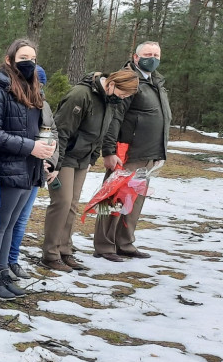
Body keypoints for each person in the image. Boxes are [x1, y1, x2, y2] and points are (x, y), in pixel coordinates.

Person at [0, 39, 57, 300]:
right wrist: (30, 147)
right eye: (23, 57)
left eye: (33, 58)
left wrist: (44, 153)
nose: (29, 62)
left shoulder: (32, 87)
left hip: (29, 166)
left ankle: (2, 271)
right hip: (7, 166)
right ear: (9, 59)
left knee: (12, 224)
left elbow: (38, 129)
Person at [42, 69, 139, 271]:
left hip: (83, 159)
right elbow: (61, 129)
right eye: (123, 94)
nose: (123, 98)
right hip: (64, 157)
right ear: (112, 83)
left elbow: (102, 131)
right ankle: (50, 253)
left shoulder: (110, 101)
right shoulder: (81, 95)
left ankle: (64, 250)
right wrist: (55, 163)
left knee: (73, 205)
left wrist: (92, 157)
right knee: (62, 202)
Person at [94, 42, 171, 261]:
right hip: (127, 152)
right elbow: (114, 117)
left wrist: (160, 152)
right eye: (148, 54)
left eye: (156, 54)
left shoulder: (156, 82)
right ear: (136, 57)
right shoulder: (128, 80)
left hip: (148, 154)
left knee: (134, 200)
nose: (152, 58)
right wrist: (109, 150)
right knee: (114, 199)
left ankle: (124, 243)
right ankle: (104, 245)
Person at [6, 66, 56, 280]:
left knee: (23, 219)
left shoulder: (44, 105)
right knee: (10, 220)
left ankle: (13, 260)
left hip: (38, 170)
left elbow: (53, 133)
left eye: (42, 85)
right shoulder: (15, 102)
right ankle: (2, 262)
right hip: (19, 168)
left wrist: (51, 162)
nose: (38, 88)